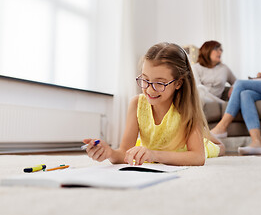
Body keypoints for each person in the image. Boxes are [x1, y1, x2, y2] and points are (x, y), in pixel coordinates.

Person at [84, 42, 225, 166]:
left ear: (178, 83)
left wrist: (154, 155)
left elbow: (197, 157)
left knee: (218, 147)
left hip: (184, 150)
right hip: (154, 146)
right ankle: (205, 133)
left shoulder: (186, 109)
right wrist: (109, 152)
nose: (149, 89)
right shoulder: (136, 104)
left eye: (159, 83)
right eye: (145, 80)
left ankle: (209, 135)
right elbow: (124, 153)